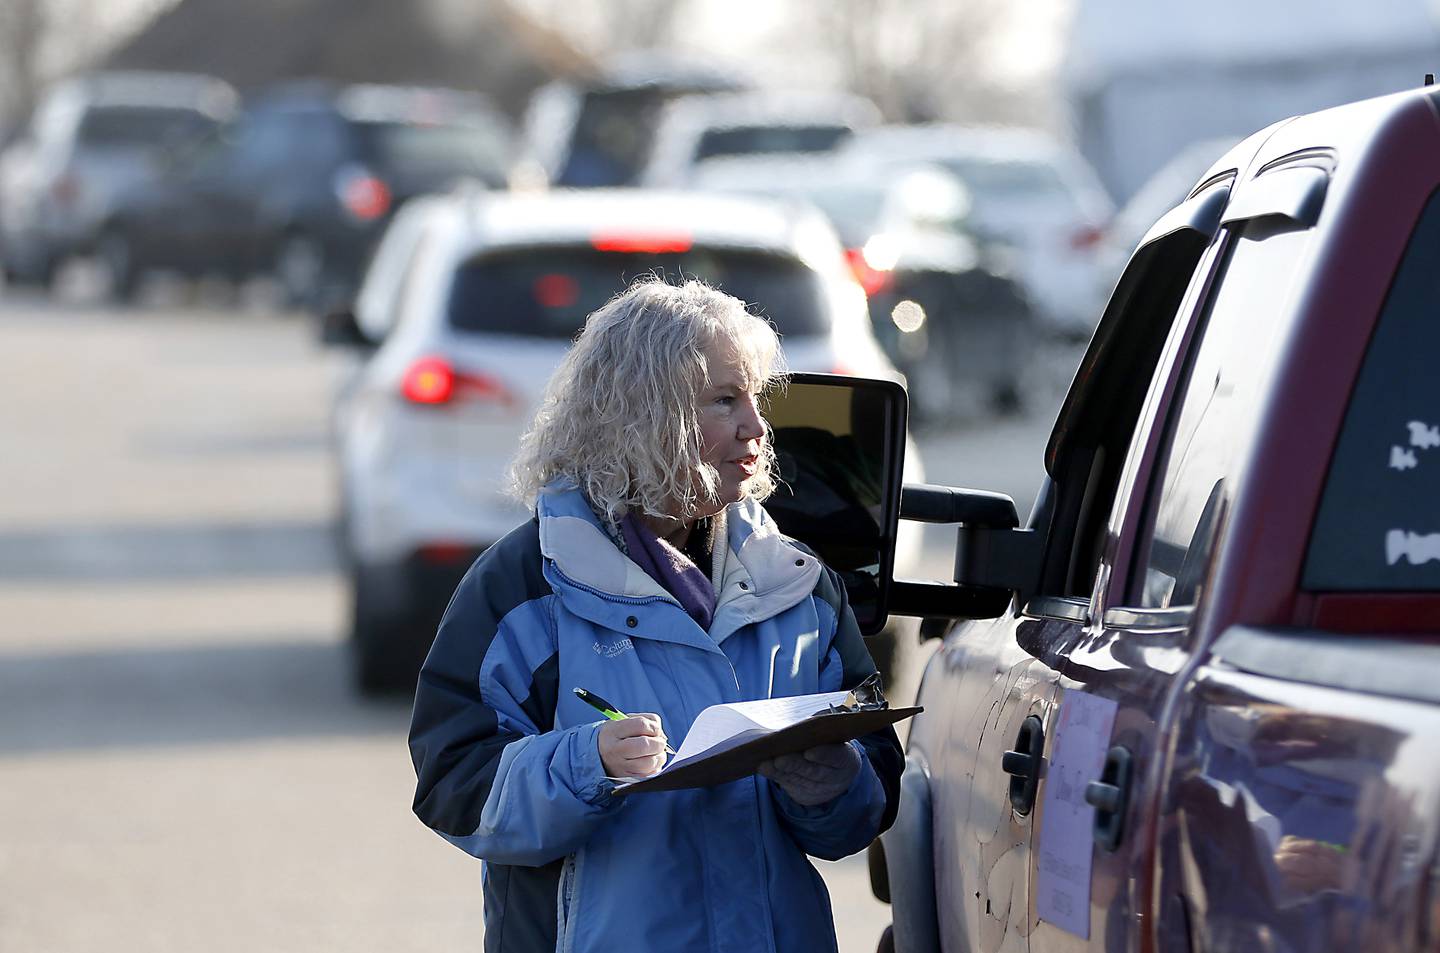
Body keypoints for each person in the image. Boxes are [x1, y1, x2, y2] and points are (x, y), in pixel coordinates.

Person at [408, 278, 903, 953]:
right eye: (724, 400)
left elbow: (865, 803)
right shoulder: (525, 586)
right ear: (642, 414)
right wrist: (587, 763)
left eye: (755, 398)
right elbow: (455, 785)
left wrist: (835, 782)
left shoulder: (800, 584)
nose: (756, 427)